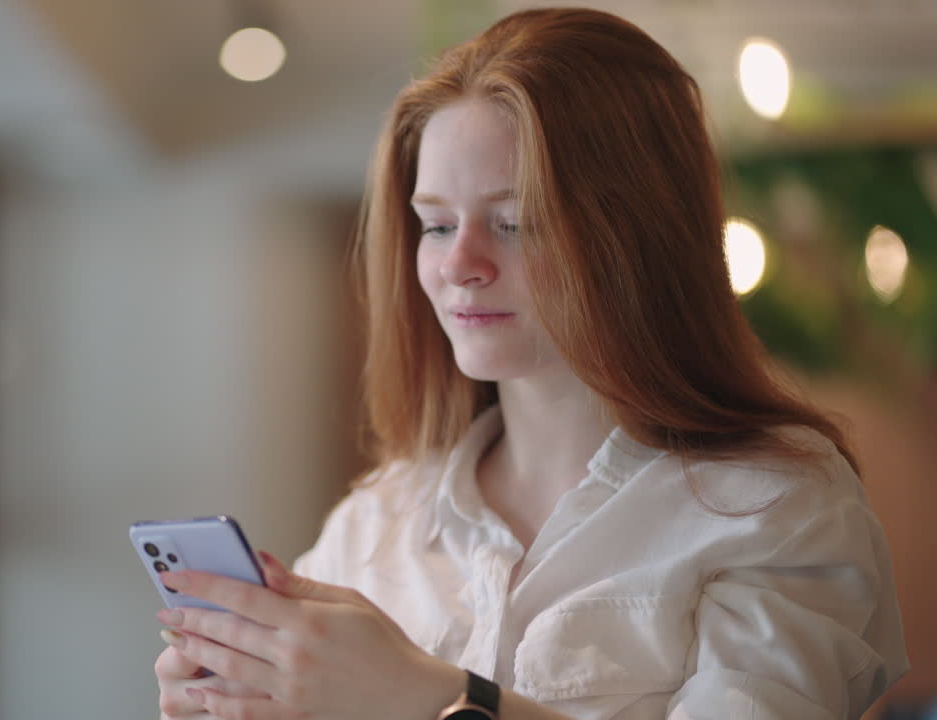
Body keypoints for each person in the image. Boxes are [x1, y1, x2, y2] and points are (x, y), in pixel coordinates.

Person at [152, 7, 909, 719]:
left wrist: (432, 698)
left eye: (515, 223)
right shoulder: (377, 522)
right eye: (437, 224)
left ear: (636, 237)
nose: (460, 265)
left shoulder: (774, 506)